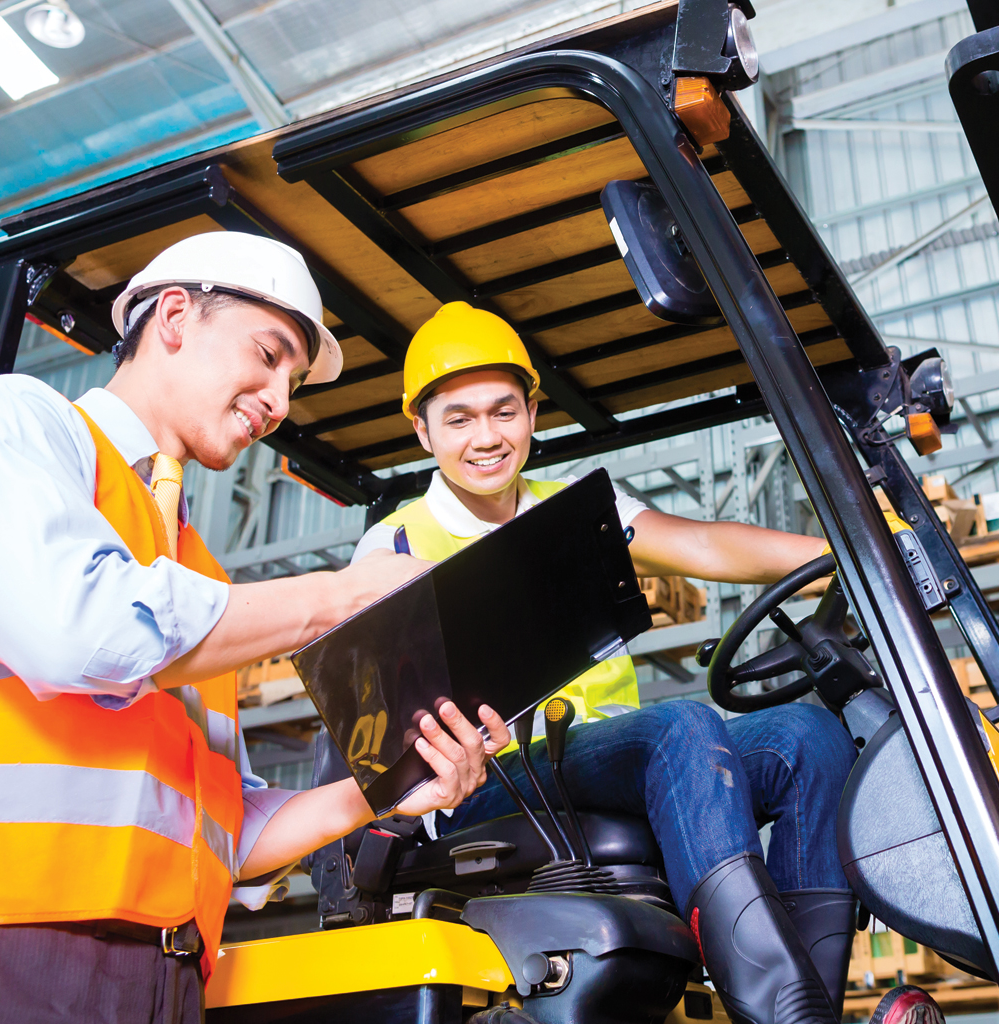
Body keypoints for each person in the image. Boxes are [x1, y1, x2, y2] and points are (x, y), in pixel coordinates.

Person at [0, 233, 510, 1024]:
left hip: (159, 980)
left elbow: (224, 832)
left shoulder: (198, 576)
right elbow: (75, 632)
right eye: (267, 355)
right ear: (173, 316)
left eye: (292, 380)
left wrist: (393, 787)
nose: (277, 400)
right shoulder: (8, 426)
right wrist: (342, 595)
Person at [345, 301, 861, 1024]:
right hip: (490, 778)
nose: (487, 438)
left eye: (503, 412)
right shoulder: (393, 548)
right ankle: (780, 1007)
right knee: (679, 728)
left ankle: (807, 1004)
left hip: (605, 759)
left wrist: (859, 552)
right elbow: (374, 721)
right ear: (422, 429)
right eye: (459, 419)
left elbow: (704, 547)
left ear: (532, 411)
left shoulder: (579, 509)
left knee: (807, 740)